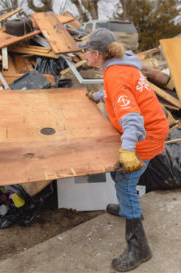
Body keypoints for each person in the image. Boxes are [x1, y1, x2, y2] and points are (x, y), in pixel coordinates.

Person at [77, 28, 169, 272]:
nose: (85, 56)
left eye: (87, 52)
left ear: (97, 54)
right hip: (153, 127)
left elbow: (133, 120)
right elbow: (120, 93)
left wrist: (128, 151)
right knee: (119, 175)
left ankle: (140, 249)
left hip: (145, 134)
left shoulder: (116, 75)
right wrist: (98, 96)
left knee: (126, 182)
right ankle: (129, 206)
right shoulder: (122, 67)